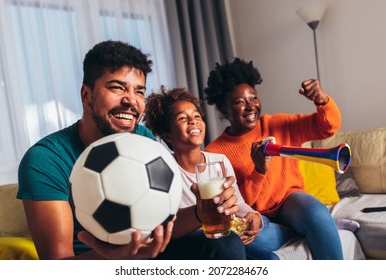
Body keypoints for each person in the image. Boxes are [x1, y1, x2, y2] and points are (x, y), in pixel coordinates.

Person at [17, 40, 246, 260]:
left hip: (146, 257)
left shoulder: (140, 138)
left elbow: (163, 226)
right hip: (93, 265)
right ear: (86, 95)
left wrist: (201, 211)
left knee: (227, 245)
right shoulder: (45, 159)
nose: (131, 101)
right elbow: (56, 263)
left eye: (139, 91)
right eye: (117, 87)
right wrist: (111, 258)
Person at [203, 57, 344, 260]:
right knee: (238, 238)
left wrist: (322, 100)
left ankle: (307, 227)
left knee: (317, 214)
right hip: (253, 216)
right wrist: (259, 171)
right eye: (239, 102)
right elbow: (241, 204)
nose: (250, 106)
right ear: (225, 110)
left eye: (253, 98)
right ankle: (296, 230)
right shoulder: (214, 152)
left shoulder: (278, 124)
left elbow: (328, 127)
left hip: (290, 202)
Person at [144, 86, 279, 260]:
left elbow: (237, 203)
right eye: (182, 118)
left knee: (271, 260)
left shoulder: (220, 161)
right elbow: (162, 226)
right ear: (168, 136)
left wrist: (254, 216)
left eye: (197, 116)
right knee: (229, 244)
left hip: (225, 234)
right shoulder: (163, 168)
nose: (193, 121)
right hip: (188, 242)